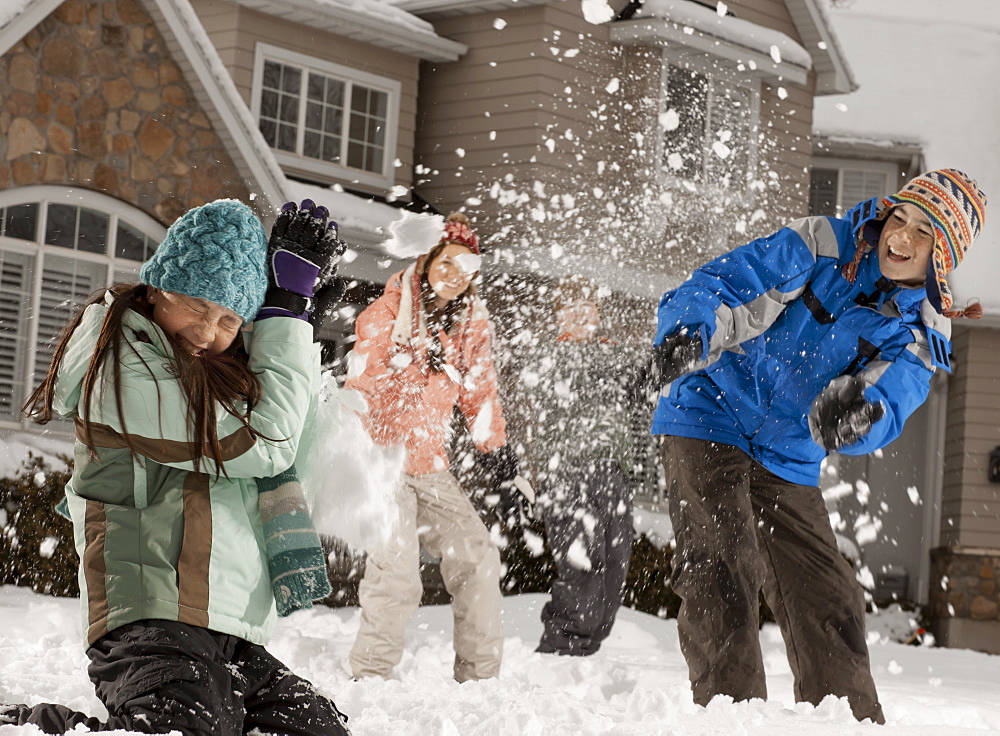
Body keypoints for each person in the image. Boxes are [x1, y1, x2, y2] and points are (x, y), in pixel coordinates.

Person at [651, 169, 987, 724]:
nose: (899, 238)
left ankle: (848, 723)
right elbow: (729, 282)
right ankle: (731, 719)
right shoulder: (821, 244)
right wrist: (689, 330)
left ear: (943, 256)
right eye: (899, 218)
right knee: (723, 565)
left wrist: (856, 415)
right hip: (709, 410)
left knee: (829, 599)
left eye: (923, 233)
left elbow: (891, 397)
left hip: (788, 456)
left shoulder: (922, 334)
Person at [6, 199, 351, 735]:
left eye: (230, 319)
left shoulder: (224, 377)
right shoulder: (117, 363)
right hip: (151, 611)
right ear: (156, 287)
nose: (208, 331)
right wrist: (281, 319)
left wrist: (294, 330)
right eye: (196, 304)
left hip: (229, 622)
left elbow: (297, 455)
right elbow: (264, 442)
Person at [346, 212, 525, 683]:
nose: (456, 276)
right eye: (448, 263)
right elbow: (361, 389)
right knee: (397, 575)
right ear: (426, 260)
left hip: (429, 465)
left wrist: (500, 457)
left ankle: (479, 682)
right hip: (382, 463)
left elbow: (480, 392)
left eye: (467, 267)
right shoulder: (385, 315)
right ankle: (369, 679)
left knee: (478, 556)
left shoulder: (470, 322)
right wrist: (408, 371)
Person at [516, 279, 655, 656]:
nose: (580, 316)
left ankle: (587, 649)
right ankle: (561, 647)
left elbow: (646, 389)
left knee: (614, 567)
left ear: (596, 317)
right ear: (560, 317)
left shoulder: (616, 359)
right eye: (571, 308)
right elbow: (558, 387)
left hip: (612, 473)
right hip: (566, 473)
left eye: (587, 308)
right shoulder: (548, 358)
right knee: (581, 564)